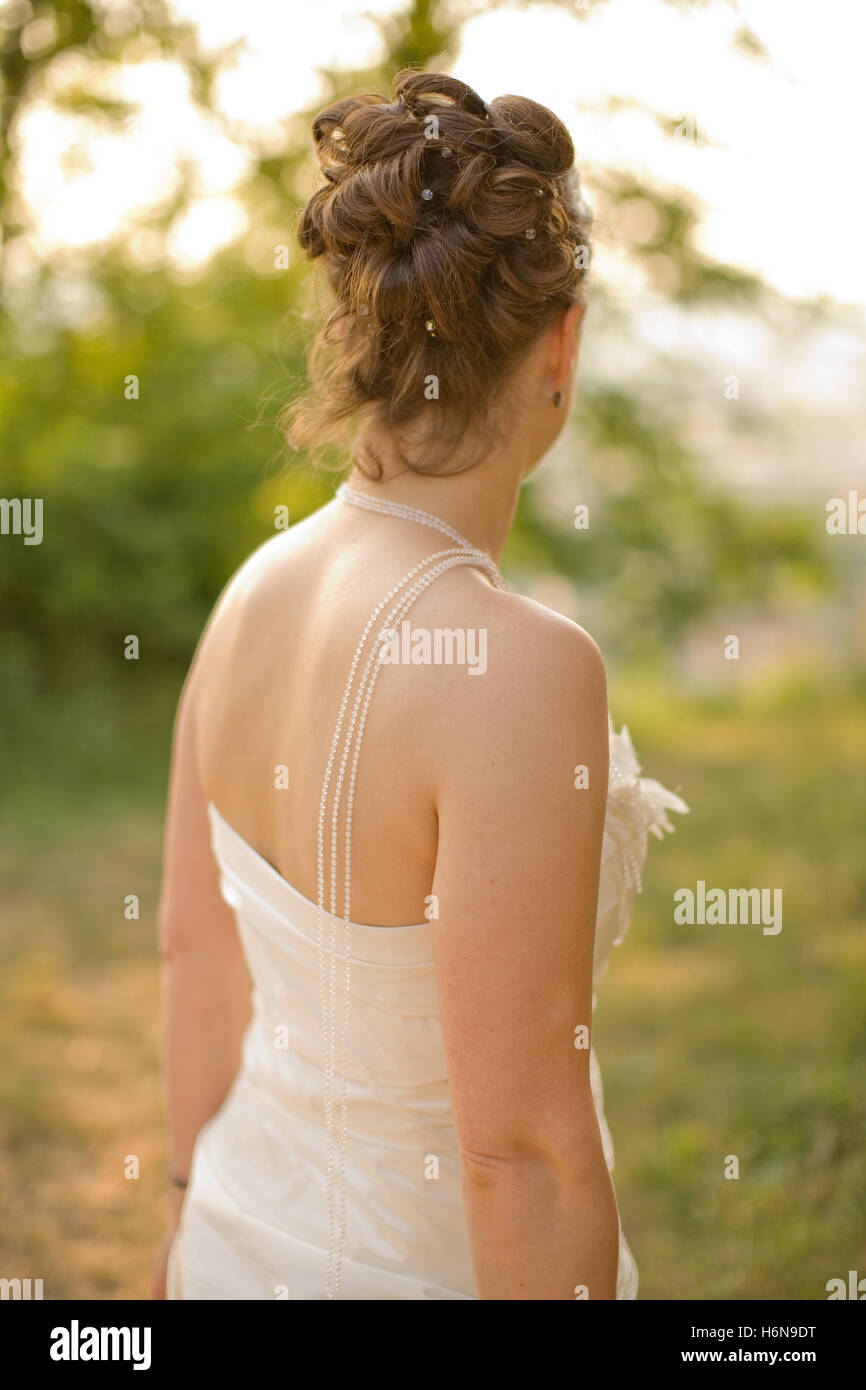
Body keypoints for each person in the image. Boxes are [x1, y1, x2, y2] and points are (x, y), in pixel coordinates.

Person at [153, 69, 687, 1301]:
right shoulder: (522, 666)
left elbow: (193, 954)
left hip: (227, 1245)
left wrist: (182, 1217)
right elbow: (520, 1157)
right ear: (561, 342)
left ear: (357, 332)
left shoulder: (248, 595)